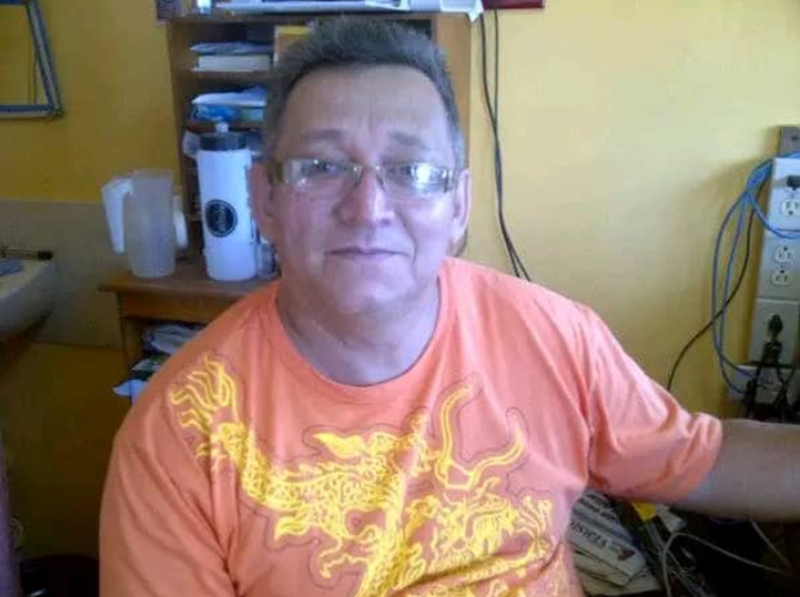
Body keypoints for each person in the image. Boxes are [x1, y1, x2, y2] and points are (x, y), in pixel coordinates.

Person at [100, 18, 800, 597]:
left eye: (411, 171)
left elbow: (701, 458)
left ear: (458, 204)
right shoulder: (179, 431)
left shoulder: (552, 334)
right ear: (265, 200)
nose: (368, 207)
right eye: (322, 167)